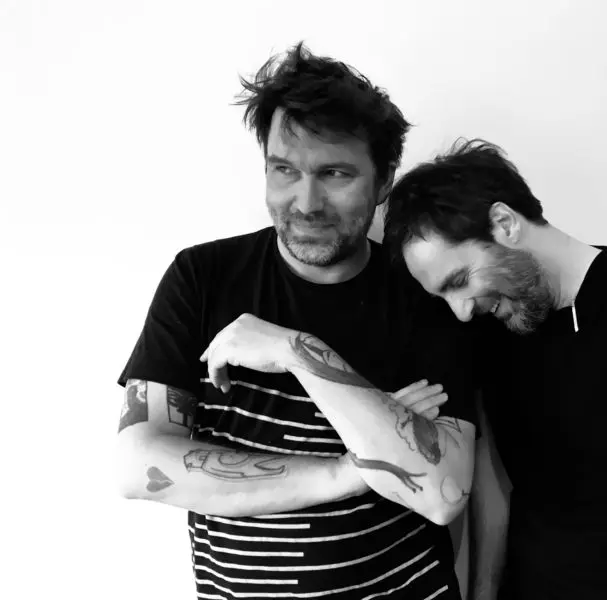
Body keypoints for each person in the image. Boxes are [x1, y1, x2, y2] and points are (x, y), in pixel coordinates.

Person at [115, 43, 477, 600]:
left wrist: (296, 350)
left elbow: (442, 492)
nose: (306, 202)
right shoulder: (202, 277)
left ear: (384, 180)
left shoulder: (424, 292)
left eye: (334, 174)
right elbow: (140, 468)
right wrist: (352, 470)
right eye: (284, 170)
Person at [383, 139, 607, 600]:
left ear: (504, 223)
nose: (461, 311)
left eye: (459, 282)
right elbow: (496, 488)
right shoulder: (488, 330)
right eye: (443, 297)